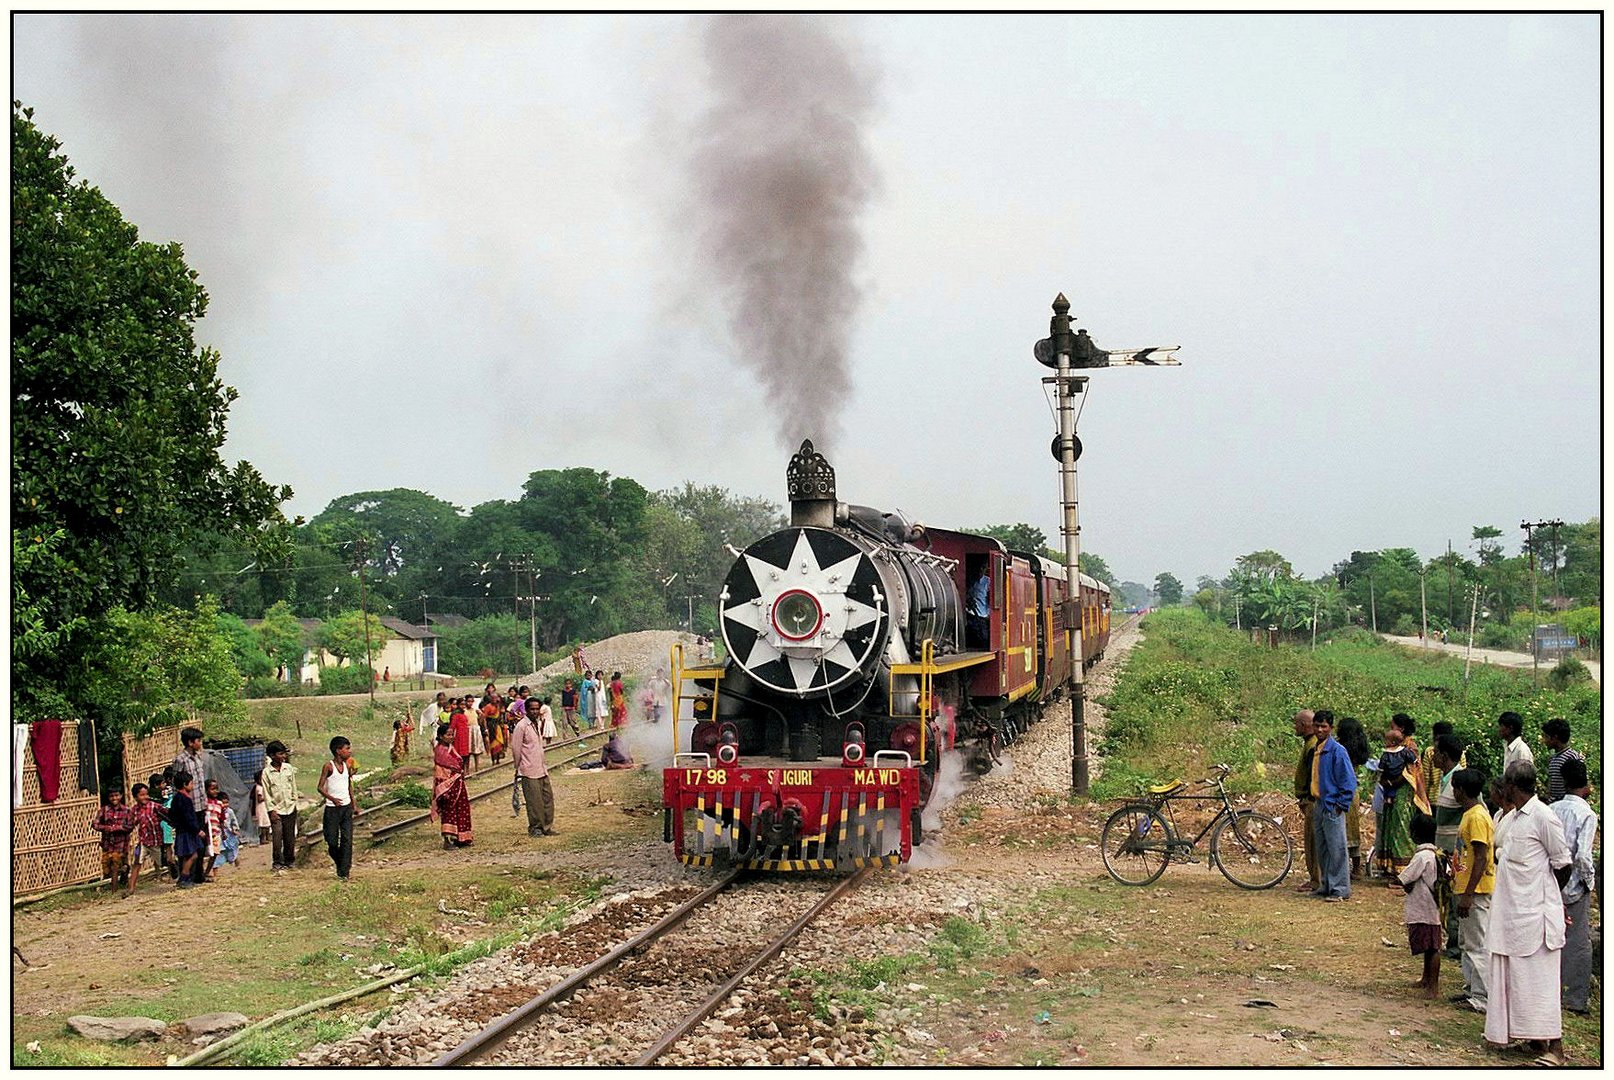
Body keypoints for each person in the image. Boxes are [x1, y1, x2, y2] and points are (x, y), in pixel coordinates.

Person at [1483, 761, 1571, 1066]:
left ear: (1511, 787)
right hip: (1512, 913)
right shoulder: (1514, 818)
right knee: (1517, 977)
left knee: (1540, 979)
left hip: (1535, 915)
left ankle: (1555, 1048)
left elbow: (1563, 864)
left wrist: (1549, 901)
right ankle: (1533, 1039)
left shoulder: (1543, 817)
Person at [1550, 757, 1597, 1017]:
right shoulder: (1586, 814)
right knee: (1578, 942)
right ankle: (1574, 999)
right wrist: (1590, 883)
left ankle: (1551, 990)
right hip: (1575, 885)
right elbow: (1582, 857)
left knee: (1553, 937)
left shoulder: (1553, 809)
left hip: (1552, 882)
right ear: (1586, 784)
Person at [1451, 767, 1496, 1014]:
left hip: (1476, 890)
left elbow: (1480, 856)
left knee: (1478, 944)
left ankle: (1484, 997)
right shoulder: (1470, 814)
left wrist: (1469, 893)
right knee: (1467, 941)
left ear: (1460, 790)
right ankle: (1472, 989)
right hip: (1465, 885)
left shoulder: (1477, 817)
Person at [1310, 710, 1356, 901]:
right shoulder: (1317, 749)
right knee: (1323, 848)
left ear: (1331, 728)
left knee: (1337, 848)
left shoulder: (1338, 751)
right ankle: (1327, 884)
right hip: (1319, 804)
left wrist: (1340, 804)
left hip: (1332, 805)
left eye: (1324, 726)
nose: (1320, 729)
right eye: (1317, 725)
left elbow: (1349, 781)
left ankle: (1340, 889)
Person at [1399, 812, 1444, 999]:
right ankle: (1426, 979)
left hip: (1424, 907)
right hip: (1431, 906)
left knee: (1432, 947)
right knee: (1430, 946)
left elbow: (1405, 878)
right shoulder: (1434, 854)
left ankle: (1432, 986)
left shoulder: (1421, 856)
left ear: (1415, 834)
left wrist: (1405, 882)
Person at [1377, 713, 1426, 877]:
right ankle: (1390, 866)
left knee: (1401, 828)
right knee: (1390, 826)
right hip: (1391, 793)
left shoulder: (1410, 747)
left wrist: (1392, 782)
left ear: (1401, 728)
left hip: (1405, 793)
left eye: (1393, 727)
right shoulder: (1392, 747)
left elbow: (1411, 772)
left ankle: (1403, 869)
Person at [508, 701, 555, 837]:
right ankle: (535, 828)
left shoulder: (537, 723)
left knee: (547, 799)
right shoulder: (521, 726)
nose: (534, 711)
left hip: (541, 768)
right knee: (534, 802)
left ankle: (547, 826)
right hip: (528, 769)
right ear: (526, 710)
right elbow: (516, 749)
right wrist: (518, 767)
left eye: (536, 709)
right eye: (532, 709)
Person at [317, 736, 360, 881]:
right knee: (332, 841)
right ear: (338, 751)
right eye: (346, 749)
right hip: (332, 809)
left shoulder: (347, 766)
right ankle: (340, 863)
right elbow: (320, 787)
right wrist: (332, 799)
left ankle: (344, 871)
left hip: (346, 807)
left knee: (347, 839)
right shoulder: (328, 766)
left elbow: (349, 786)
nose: (349, 751)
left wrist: (354, 804)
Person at [1335, 715, 1373, 879]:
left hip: (1341, 790)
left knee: (1343, 829)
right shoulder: (1358, 749)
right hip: (1353, 792)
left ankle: (1346, 867)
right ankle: (1356, 866)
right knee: (1352, 829)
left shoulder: (1340, 748)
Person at [171, 726, 209, 884]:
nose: (200, 743)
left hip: (201, 805)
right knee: (188, 846)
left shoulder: (199, 757)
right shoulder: (180, 760)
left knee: (200, 844)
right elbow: (176, 783)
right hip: (188, 807)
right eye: (198, 740)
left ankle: (199, 876)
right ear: (190, 742)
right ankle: (187, 877)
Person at [1291, 709, 1320, 893]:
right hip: (1309, 799)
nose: (1295, 727)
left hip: (1311, 800)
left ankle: (1316, 879)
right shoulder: (1310, 744)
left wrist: (1306, 798)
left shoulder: (1312, 746)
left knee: (1313, 842)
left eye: (1296, 724)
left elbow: (1313, 776)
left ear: (1304, 725)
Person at [431, 724, 474, 848]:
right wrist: (443, 789)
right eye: (448, 735)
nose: (451, 737)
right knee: (449, 811)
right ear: (440, 736)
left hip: (458, 784)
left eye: (452, 734)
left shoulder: (450, 748)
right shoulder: (440, 751)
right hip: (447, 786)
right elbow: (440, 772)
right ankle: (448, 840)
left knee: (461, 809)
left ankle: (462, 838)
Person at [167, 771, 208, 890]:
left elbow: (172, 815)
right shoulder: (185, 799)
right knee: (193, 855)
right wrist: (197, 830)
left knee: (187, 855)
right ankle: (184, 877)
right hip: (187, 832)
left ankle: (185, 877)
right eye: (191, 783)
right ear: (185, 784)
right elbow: (189, 817)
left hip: (182, 830)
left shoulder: (176, 798)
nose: (193, 785)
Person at [262, 740, 299, 873]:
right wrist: (271, 810)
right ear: (272, 756)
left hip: (290, 807)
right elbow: (267, 793)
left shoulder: (288, 768)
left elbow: (293, 787)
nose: (283, 756)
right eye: (280, 753)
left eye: (284, 753)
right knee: (277, 838)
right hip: (276, 810)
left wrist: (295, 803)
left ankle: (290, 861)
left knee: (290, 837)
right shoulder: (267, 772)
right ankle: (277, 862)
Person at [89, 788, 135, 893]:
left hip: (121, 844)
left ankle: (114, 891)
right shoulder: (103, 810)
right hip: (107, 843)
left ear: (121, 796)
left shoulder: (126, 811)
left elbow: (130, 826)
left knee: (115, 866)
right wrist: (105, 828)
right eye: (111, 796)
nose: (114, 798)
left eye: (116, 795)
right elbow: (95, 824)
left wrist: (117, 828)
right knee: (107, 868)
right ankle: (123, 873)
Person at [128, 782, 163, 898]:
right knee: (137, 863)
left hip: (156, 840)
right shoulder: (134, 810)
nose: (145, 797)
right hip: (143, 841)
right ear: (136, 797)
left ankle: (165, 878)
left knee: (160, 862)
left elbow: (166, 813)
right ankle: (131, 888)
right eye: (142, 795)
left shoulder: (154, 806)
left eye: (146, 794)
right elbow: (130, 824)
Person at [1539, 718, 1584, 806]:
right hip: (1554, 806)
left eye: (1546, 737)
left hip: (1567, 806)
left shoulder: (1572, 757)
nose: (1544, 741)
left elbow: (1580, 785)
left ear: (1555, 738)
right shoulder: (1553, 759)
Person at [203, 779, 225, 881]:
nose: (215, 791)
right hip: (206, 832)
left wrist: (223, 832)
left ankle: (206, 872)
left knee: (215, 853)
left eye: (216, 789)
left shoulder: (220, 804)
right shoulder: (204, 803)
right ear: (206, 790)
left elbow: (221, 819)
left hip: (215, 832)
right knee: (203, 852)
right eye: (212, 789)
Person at [214, 792, 241, 872]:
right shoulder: (216, 811)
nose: (225, 805)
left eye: (227, 802)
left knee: (232, 849)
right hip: (219, 835)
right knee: (218, 852)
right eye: (223, 803)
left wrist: (235, 829)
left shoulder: (230, 812)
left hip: (229, 834)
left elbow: (234, 821)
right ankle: (215, 869)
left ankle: (235, 860)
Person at [966, 565, 991, 649]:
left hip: (982, 616)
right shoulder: (970, 580)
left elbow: (991, 599)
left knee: (983, 639)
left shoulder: (988, 582)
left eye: (983, 568)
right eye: (979, 567)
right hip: (969, 614)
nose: (980, 570)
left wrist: (989, 613)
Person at [250, 769, 271, 843]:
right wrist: (267, 797)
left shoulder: (261, 787)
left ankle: (267, 837)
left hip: (264, 807)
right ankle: (263, 838)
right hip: (261, 808)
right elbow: (259, 799)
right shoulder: (259, 788)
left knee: (267, 823)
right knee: (263, 824)